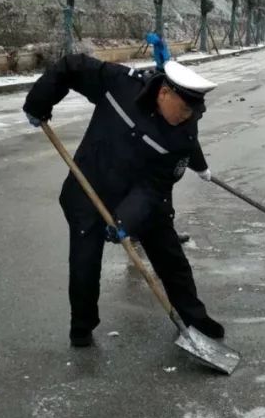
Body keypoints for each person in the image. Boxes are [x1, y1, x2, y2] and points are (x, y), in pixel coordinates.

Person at [23, 53, 224, 348]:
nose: (187, 117)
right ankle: (82, 327)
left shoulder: (184, 136)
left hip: (142, 196)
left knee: (170, 256)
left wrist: (125, 221)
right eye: (183, 110)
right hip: (89, 186)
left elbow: (155, 188)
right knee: (85, 260)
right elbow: (71, 66)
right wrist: (39, 103)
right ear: (164, 93)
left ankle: (193, 317)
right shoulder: (119, 84)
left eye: (193, 113)